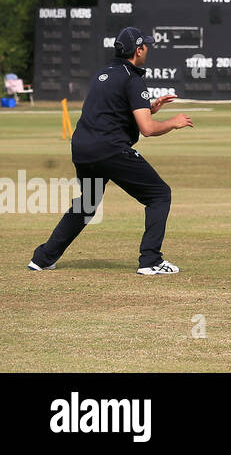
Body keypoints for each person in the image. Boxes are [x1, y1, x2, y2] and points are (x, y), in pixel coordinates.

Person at [29, 27, 193, 276]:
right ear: (138, 50)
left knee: (87, 203)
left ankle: (42, 258)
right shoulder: (133, 78)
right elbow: (147, 129)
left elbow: (114, 109)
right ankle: (151, 261)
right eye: (146, 45)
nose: (148, 48)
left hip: (83, 148)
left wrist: (150, 107)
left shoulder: (104, 73)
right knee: (159, 195)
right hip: (110, 149)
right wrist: (174, 122)